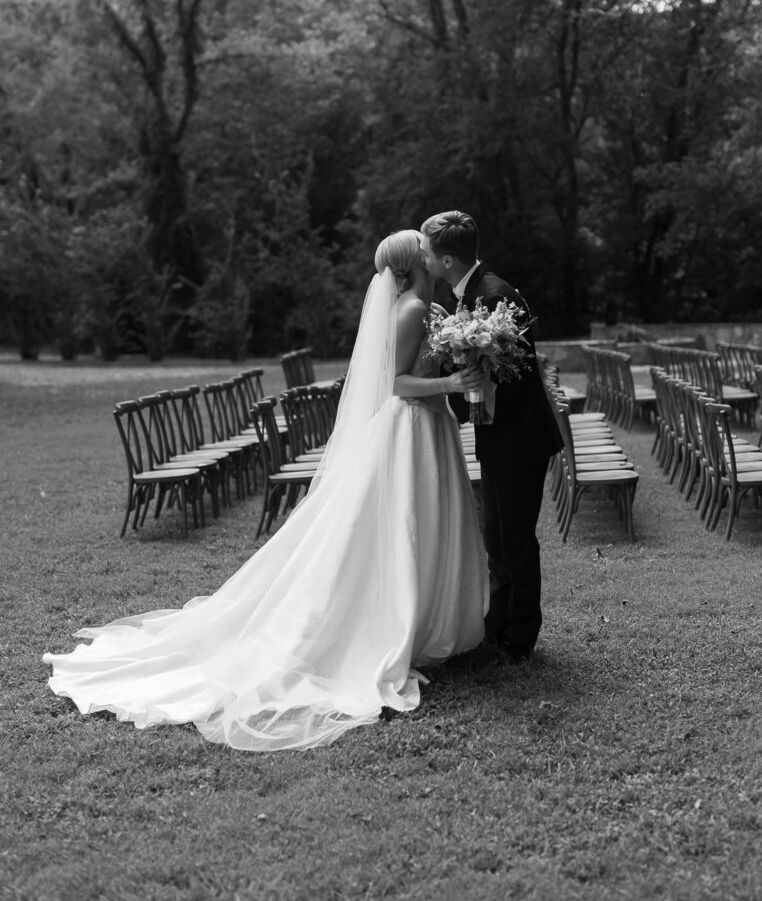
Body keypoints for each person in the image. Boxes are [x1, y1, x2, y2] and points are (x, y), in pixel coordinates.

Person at [43, 230, 488, 752]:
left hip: (426, 429)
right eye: (426, 253)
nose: (434, 260)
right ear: (416, 264)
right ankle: (399, 624)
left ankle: (426, 618)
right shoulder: (412, 309)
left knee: (418, 525)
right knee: (402, 527)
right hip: (408, 427)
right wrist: (450, 386)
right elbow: (396, 383)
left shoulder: (423, 307)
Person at [420, 210, 563, 663]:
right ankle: (498, 625)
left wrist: (470, 376)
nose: (422, 257)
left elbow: (516, 376)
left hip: (519, 438)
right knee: (496, 537)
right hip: (500, 436)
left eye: (426, 251)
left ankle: (520, 638)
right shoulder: (469, 296)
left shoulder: (494, 295)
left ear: (445, 260)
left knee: (515, 538)